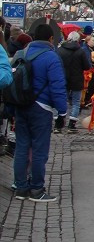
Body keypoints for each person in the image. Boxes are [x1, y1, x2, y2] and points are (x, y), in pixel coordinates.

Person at [12, 25, 67, 202]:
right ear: (51, 39)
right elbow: (57, 87)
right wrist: (62, 112)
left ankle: (20, 187)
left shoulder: (22, 53)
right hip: (41, 107)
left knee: (21, 147)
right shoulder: (51, 57)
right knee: (39, 150)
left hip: (21, 105)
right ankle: (37, 189)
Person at [56, 31, 91, 132]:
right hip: (77, 79)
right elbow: (86, 66)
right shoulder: (80, 51)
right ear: (78, 39)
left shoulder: (60, 50)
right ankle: (72, 124)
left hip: (63, 79)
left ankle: (59, 123)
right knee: (76, 102)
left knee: (63, 100)